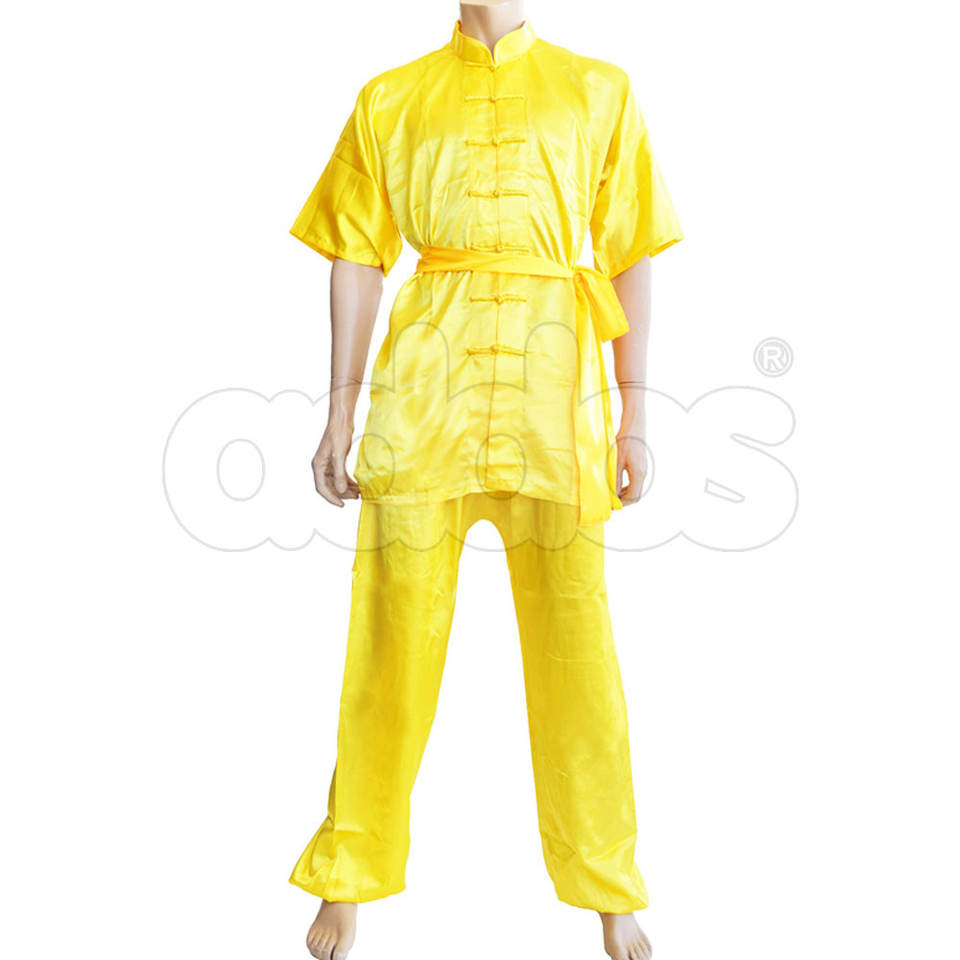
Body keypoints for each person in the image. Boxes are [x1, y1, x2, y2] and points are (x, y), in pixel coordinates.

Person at [288, 4, 683, 959]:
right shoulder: (391, 97)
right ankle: (349, 872)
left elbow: (629, 253)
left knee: (576, 649)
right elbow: (356, 255)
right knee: (390, 641)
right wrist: (340, 411)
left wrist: (634, 413)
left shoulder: (598, 89)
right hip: (427, 393)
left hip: (554, 402)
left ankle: (609, 885)